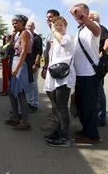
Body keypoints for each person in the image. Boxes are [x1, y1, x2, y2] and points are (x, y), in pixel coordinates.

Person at [70, 3, 101, 144]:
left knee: (89, 106)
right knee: (82, 105)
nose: (76, 15)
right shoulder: (79, 30)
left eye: (80, 13)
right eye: (75, 13)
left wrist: (82, 16)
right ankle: (86, 130)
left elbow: (95, 30)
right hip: (79, 74)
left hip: (89, 74)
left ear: (86, 14)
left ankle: (92, 135)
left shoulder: (93, 25)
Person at [43, 16, 76, 147]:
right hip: (55, 76)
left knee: (62, 107)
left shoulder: (68, 37)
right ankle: (59, 131)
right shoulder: (55, 41)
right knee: (58, 106)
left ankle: (64, 137)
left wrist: (53, 29)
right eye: (56, 25)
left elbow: (63, 43)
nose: (58, 27)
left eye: (60, 25)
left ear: (66, 27)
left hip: (64, 77)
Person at [5, 15, 32, 131]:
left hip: (20, 64)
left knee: (21, 94)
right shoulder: (17, 34)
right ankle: (15, 117)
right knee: (11, 91)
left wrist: (17, 68)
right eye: (13, 23)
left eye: (16, 23)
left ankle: (25, 122)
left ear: (23, 23)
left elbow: (24, 51)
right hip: (14, 62)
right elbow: (11, 48)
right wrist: (12, 35)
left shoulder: (25, 33)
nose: (14, 25)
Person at [89, 11, 108, 127]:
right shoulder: (88, 30)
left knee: (98, 90)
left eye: (90, 18)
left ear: (96, 20)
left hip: (98, 65)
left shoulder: (100, 28)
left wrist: (100, 54)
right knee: (93, 91)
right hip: (90, 65)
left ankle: (100, 117)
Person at [40, 9, 61, 131]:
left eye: (51, 17)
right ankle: (55, 116)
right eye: (47, 17)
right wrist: (44, 67)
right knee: (50, 92)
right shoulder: (50, 33)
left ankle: (56, 121)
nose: (48, 19)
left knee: (55, 95)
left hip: (56, 69)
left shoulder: (58, 31)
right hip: (49, 67)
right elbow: (47, 53)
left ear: (57, 17)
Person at [26, 21, 43, 112]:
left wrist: (36, 64)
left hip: (33, 65)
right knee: (28, 84)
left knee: (33, 84)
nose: (30, 27)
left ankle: (34, 104)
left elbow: (39, 52)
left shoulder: (37, 38)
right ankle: (29, 102)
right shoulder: (25, 36)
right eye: (28, 26)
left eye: (32, 26)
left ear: (34, 27)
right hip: (26, 65)